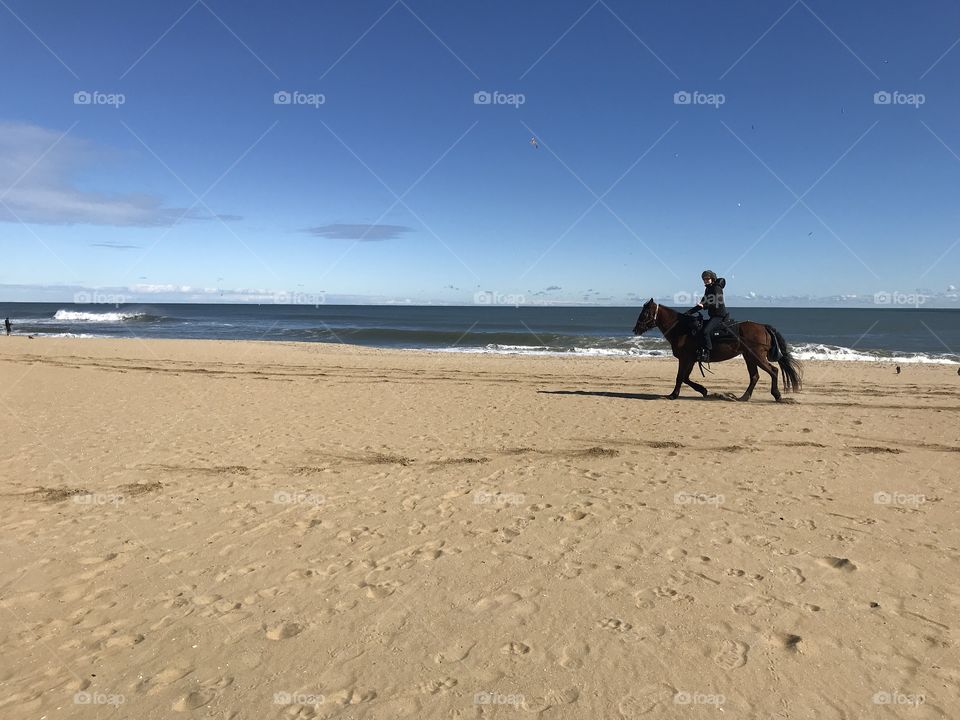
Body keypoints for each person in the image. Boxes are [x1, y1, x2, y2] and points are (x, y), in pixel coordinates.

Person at [687, 270, 729, 361]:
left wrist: (704, 305)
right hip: (713, 316)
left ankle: (708, 352)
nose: (705, 280)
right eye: (704, 279)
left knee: (705, 331)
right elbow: (702, 302)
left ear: (712, 279)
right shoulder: (708, 289)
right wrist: (688, 313)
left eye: (707, 278)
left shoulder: (717, 288)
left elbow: (717, 302)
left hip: (719, 316)